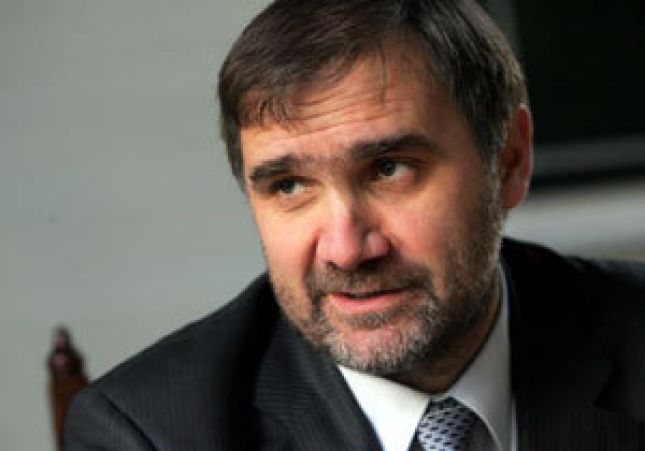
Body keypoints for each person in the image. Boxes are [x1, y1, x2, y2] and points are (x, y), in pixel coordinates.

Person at [65, 0, 645, 450]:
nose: (346, 250)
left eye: (389, 169)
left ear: (509, 161)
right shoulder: (152, 434)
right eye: (289, 186)